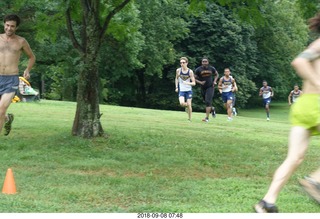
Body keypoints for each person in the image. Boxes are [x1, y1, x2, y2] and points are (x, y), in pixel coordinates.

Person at [254, 12, 320, 213]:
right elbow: (299, 61)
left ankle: (267, 202)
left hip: (303, 107)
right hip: (317, 104)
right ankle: (315, 181)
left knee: (295, 158)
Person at [0, 14, 36, 136]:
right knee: (0, 112)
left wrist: (27, 70)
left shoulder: (21, 41)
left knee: (1, 109)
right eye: (7, 25)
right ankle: (7, 119)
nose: (9, 28)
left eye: (12, 26)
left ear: (16, 28)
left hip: (11, 80)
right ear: (4, 24)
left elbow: (31, 57)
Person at [194, 57, 219, 122]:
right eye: (203, 62)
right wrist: (200, 82)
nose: (204, 63)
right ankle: (212, 109)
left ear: (208, 62)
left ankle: (207, 118)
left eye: (206, 61)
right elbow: (194, 78)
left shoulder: (211, 68)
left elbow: (216, 74)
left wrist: (214, 81)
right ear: (201, 62)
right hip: (203, 88)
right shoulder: (198, 70)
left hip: (210, 87)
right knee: (206, 102)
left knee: (208, 102)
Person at [175, 57, 195, 121]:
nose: (182, 64)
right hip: (182, 90)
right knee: (181, 103)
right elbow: (176, 79)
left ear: (187, 63)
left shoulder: (190, 72)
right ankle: (186, 106)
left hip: (189, 90)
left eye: (183, 62)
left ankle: (189, 118)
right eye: (181, 63)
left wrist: (187, 83)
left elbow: (194, 83)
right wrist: (176, 87)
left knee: (189, 104)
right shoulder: (178, 70)